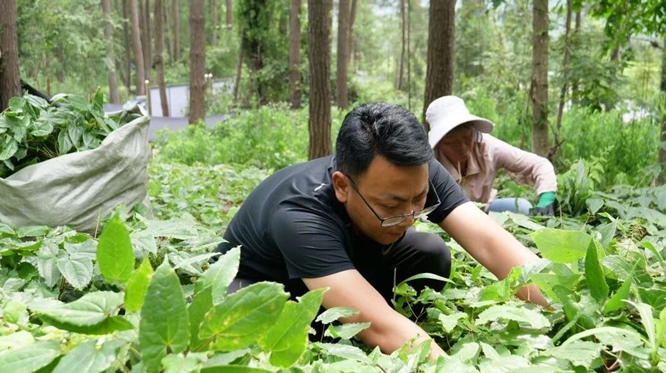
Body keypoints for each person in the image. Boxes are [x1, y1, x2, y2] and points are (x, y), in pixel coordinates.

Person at [212, 102, 550, 359]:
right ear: (342, 186)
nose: (409, 216)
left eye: (419, 199)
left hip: (343, 263)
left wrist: (563, 306)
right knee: (262, 326)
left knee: (430, 253)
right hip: (269, 284)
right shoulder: (299, 214)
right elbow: (382, 328)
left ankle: (358, 305)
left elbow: (490, 242)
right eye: (391, 206)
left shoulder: (414, 169)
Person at [427, 95, 558, 215]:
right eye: (452, 143)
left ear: (473, 132)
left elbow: (539, 164)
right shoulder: (429, 162)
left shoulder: (488, 147)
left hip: (484, 211)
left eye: (466, 138)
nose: (462, 147)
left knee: (523, 208)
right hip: (446, 219)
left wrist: (546, 198)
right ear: (439, 144)